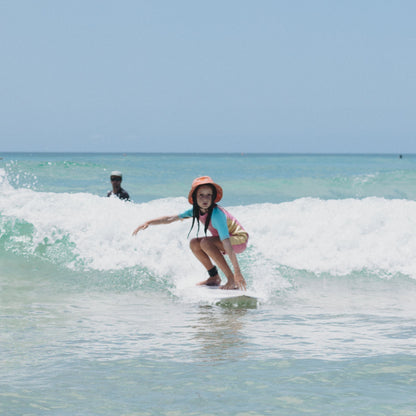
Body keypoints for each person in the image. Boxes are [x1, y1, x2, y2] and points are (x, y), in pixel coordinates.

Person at [132, 176, 248, 290]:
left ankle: (231, 279)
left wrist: (237, 272)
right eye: (201, 195)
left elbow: (226, 242)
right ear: (195, 197)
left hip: (239, 239)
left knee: (205, 243)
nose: (205, 199)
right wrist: (149, 222)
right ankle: (214, 277)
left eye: (209, 195)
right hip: (226, 240)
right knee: (194, 243)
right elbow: (171, 218)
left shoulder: (217, 215)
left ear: (213, 198)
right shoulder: (196, 211)